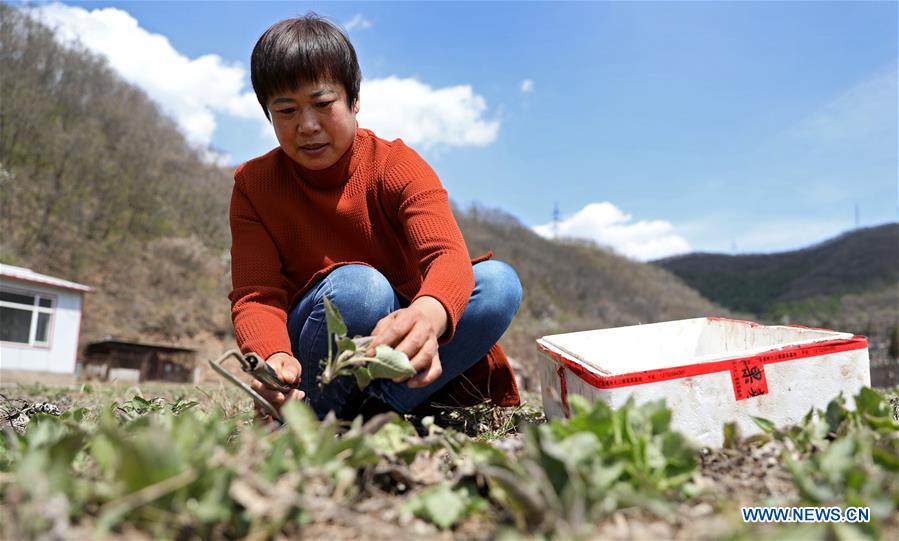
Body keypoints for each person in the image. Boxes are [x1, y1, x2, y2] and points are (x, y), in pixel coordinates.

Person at [230, 13, 522, 420]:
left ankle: (380, 409)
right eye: (286, 110)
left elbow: (447, 257)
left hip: (398, 342)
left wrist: (425, 316)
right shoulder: (255, 185)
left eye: (322, 104)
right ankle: (314, 410)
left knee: (498, 284)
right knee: (361, 289)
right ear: (268, 114)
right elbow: (256, 295)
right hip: (318, 345)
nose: (307, 126)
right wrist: (274, 356)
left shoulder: (396, 165)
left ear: (354, 100)